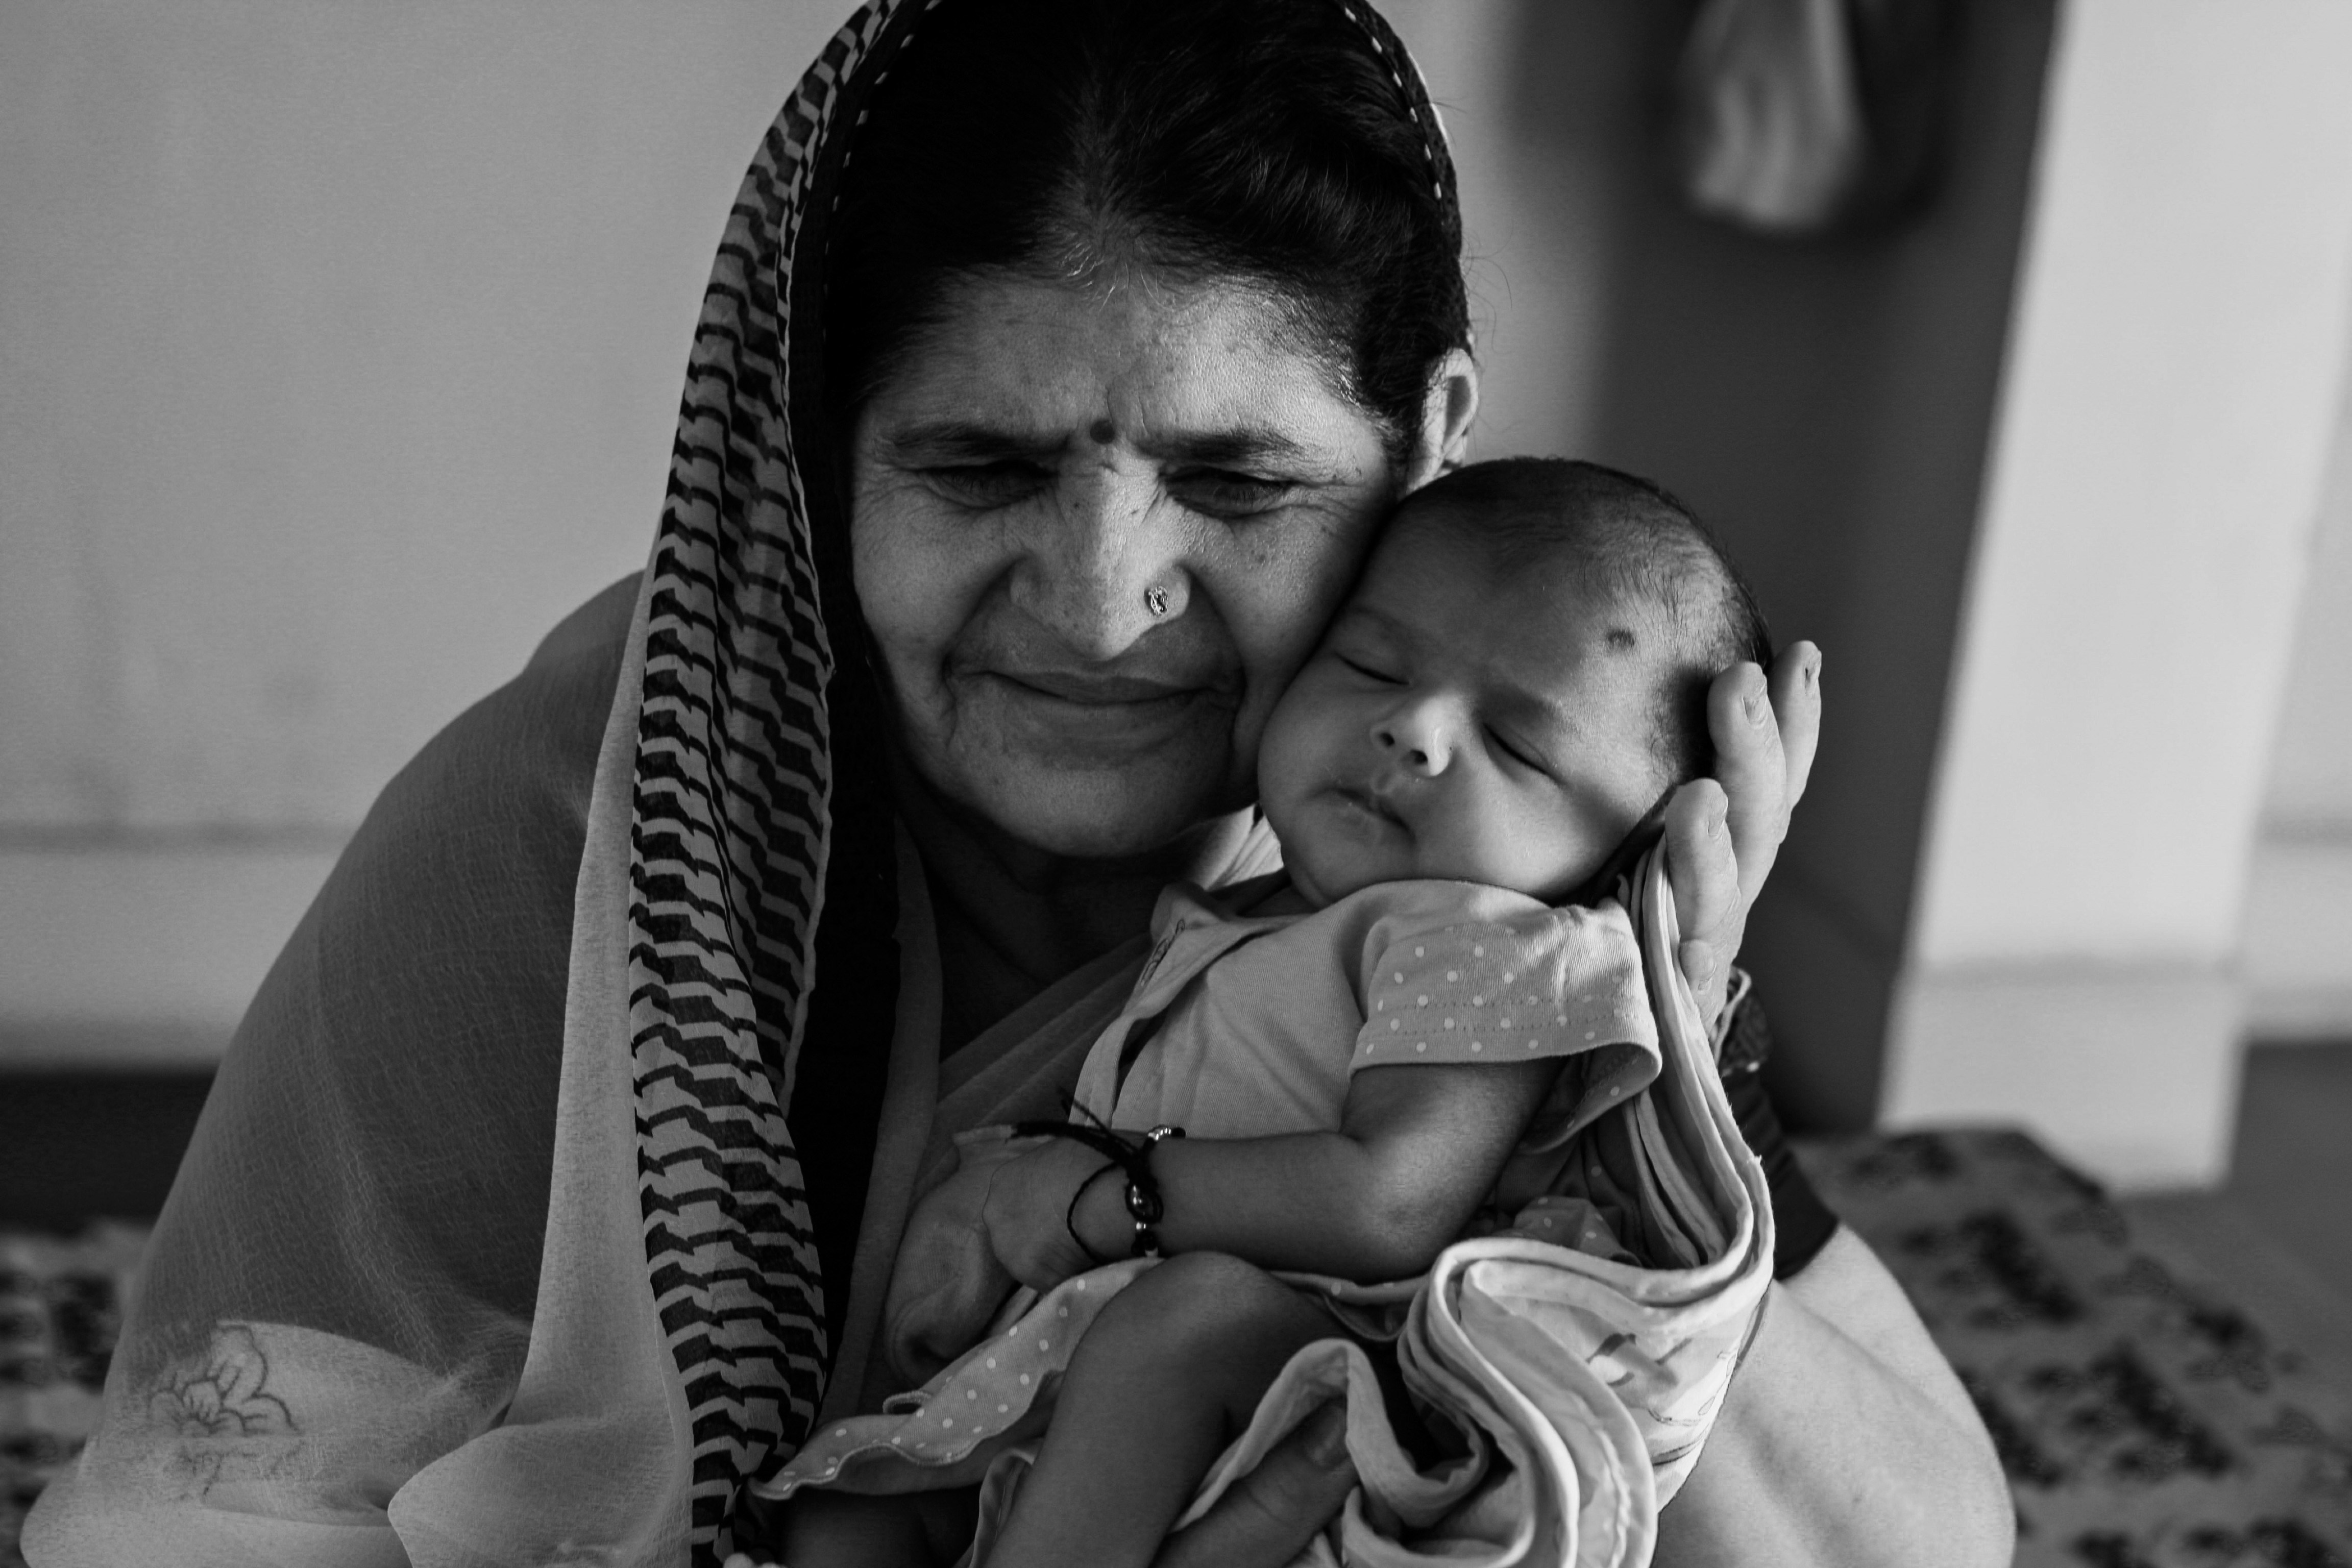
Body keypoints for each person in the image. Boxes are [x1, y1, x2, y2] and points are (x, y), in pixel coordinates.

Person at [23, 3, 2012, 1566]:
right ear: (817, 463)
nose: (1101, 604)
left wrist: (1651, 1053)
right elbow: (221, 1525)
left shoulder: (1467, 861)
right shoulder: (573, 848)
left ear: (1432, 438)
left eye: (1238, 484)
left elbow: (1919, 1548)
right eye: (977, 469)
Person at [754, 457, 1782, 1568]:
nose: (1417, 731)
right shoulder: (1253, 910)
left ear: (1629, 851)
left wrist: (1095, 1198)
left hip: (1309, 1367)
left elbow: (1390, 1204)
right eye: (1370, 663)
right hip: (1099, 1366)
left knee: (1183, 1322)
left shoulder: (1494, 944)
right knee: (845, 1516)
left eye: (1521, 747)